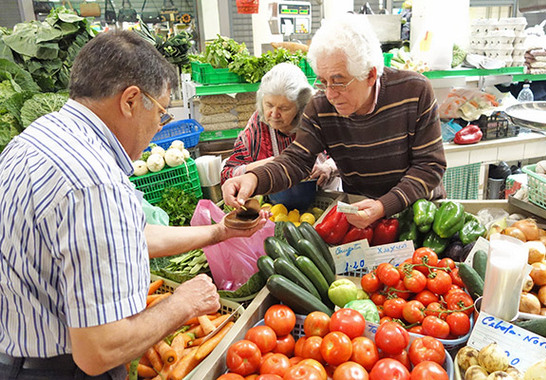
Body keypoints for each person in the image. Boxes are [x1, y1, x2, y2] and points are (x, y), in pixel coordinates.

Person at [0, 31, 268, 380]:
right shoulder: (94, 181)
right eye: (161, 113)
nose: (159, 127)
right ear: (129, 101)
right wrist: (185, 302)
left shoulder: (35, 140)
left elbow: (128, 236)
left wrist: (219, 231)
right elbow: (99, 350)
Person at [222, 14, 447, 228]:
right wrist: (253, 179)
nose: (329, 94)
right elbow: (296, 161)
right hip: (360, 213)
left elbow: (430, 165)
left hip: (421, 213)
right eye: (322, 81)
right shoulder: (321, 107)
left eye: (338, 82)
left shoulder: (414, 91)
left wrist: (383, 206)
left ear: (370, 75)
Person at [221, 62, 340, 190]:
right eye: (269, 105)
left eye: (284, 108)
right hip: (275, 206)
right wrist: (260, 168)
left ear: (300, 107)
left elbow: (349, 156)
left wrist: (329, 167)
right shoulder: (257, 128)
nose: (274, 114)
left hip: (325, 198)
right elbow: (227, 175)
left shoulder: (316, 117)